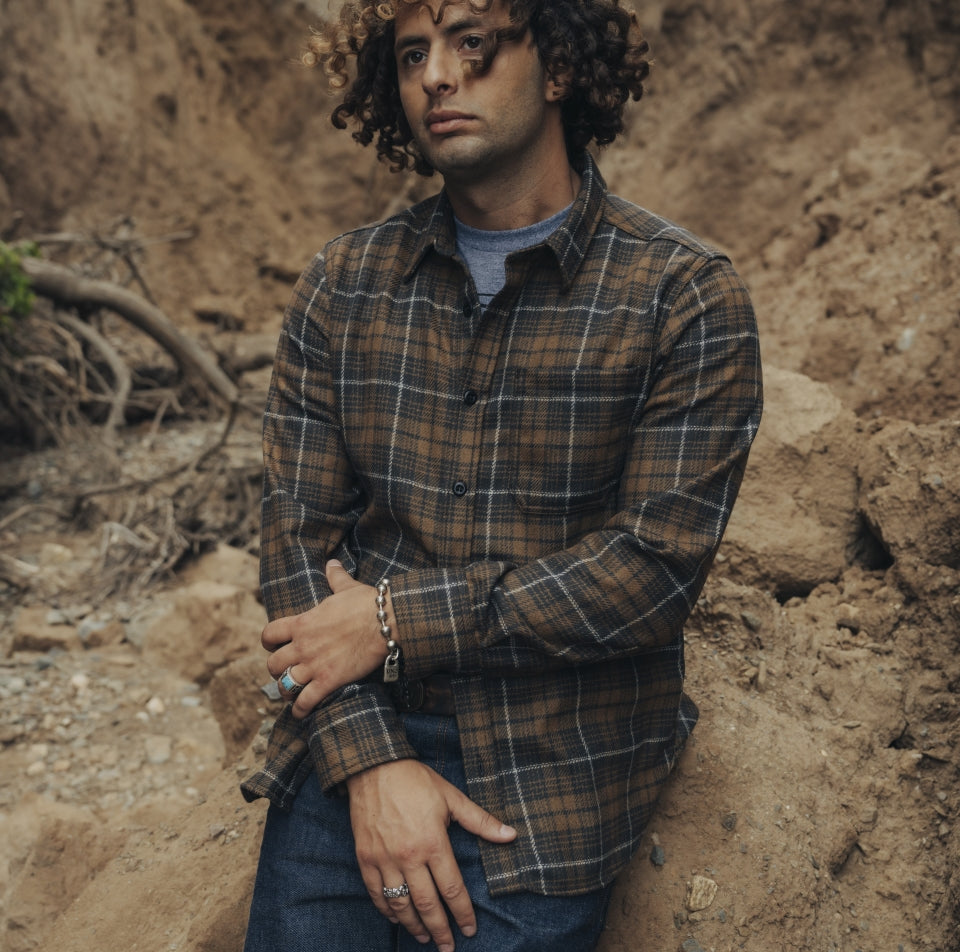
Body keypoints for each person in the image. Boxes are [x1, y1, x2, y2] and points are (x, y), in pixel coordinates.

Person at [241, 1, 762, 950]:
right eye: (411, 55)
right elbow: (294, 549)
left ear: (557, 65)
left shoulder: (683, 297)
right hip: (353, 740)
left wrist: (395, 620)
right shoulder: (344, 284)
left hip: (551, 778)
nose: (436, 76)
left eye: (471, 41)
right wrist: (370, 766)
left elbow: (648, 575)